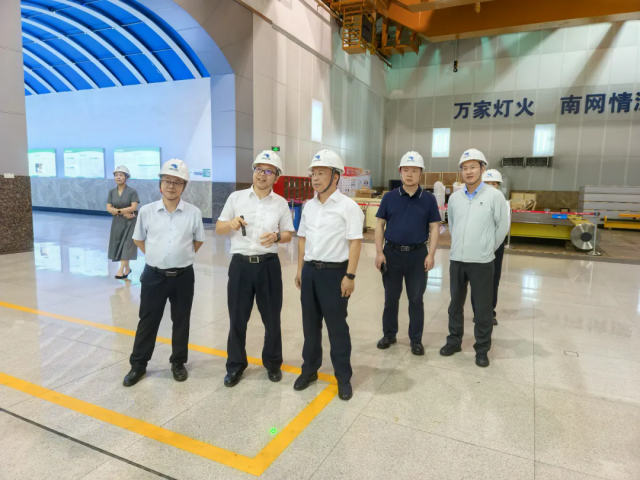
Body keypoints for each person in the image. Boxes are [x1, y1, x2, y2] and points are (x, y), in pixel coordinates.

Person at [123, 159, 205, 387]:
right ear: (160, 184)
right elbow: (139, 239)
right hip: (154, 276)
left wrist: (179, 257)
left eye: (177, 182)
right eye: (167, 180)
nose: (171, 186)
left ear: (184, 186)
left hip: (183, 277)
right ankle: (138, 365)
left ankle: (178, 363)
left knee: (181, 320)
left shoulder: (193, 213)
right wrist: (157, 257)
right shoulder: (147, 211)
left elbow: (198, 241)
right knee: (148, 321)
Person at [216, 151, 295, 387]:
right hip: (240, 266)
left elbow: (289, 234)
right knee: (237, 318)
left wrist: (277, 237)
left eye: (268, 171)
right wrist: (230, 224)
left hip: (268, 266)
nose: (262, 174)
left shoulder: (280, 203)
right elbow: (219, 227)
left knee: (272, 319)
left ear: (276, 177)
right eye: (258, 169)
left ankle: (272, 363)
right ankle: (235, 365)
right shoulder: (236, 198)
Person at [294, 150, 364, 401]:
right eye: (313, 173)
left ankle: (343, 377)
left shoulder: (348, 207)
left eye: (321, 173)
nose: (315, 178)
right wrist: (300, 269)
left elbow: (355, 243)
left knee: (337, 328)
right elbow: (302, 239)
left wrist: (350, 276)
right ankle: (309, 370)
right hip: (310, 272)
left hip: (335, 274)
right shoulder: (308, 206)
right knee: (310, 326)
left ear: (336, 176)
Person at [439, 149, 509, 368]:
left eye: (473, 167)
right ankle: (454, 341)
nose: (468, 172)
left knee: (482, 307)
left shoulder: (494, 196)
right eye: (465, 168)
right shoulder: (455, 198)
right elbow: (453, 224)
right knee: (455, 304)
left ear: (482, 169)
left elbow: (502, 227)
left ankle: (482, 348)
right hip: (457, 260)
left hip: (482, 262)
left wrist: (487, 248)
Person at [374, 151, 441, 355]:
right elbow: (379, 225)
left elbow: (434, 228)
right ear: (400, 172)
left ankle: (416, 339)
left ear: (421, 173)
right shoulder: (389, 197)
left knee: (416, 299)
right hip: (392, 253)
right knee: (390, 298)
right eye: (406, 170)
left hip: (417, 255)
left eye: (414, 170)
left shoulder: (428, 199)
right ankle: (389, 334)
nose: (409, 174)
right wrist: (379, 252)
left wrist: (431, 254)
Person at [471, 169, 510, 326]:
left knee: (493, 279)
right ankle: (477, 312)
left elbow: (503, 227)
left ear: (499, 186)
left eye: (494, 183)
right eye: (487, 183)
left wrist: (492, 247)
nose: (490, 186)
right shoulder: (474, 201)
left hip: (495, 246)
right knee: (476, 280)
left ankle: (490, 312)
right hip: (476, 245)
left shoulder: (503, 203)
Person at [107, 166, 139, 279]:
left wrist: (118, 211)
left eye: (121, 175)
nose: (118, 177)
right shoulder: (111, 192)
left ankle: (120, 270)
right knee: (120, 244)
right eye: (116, 175)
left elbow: (133, 207)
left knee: (127, 245)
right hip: (118, 222)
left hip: (131, 221)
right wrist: (122, 213)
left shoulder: (132, 192)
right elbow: (109, 208)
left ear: (126, 177)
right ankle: (127, 269)